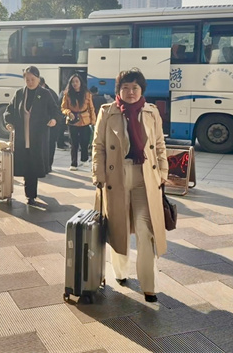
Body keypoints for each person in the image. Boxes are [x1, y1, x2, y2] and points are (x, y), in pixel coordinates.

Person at [92, 68, 168, 303]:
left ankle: (149, 285)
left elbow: (159, 143)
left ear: (142, 90)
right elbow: (99, 146)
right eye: (125, 87)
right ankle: (121, 272)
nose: (130, 92)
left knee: (147, 231)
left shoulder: (151, 112)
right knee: (119, 227)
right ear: (119, 90)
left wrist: (163, 172)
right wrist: (98, 174)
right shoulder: (107, 112)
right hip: (117, 176)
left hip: (145, 176)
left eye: (135, 87)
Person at [4, 66, 60, 206]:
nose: (30, 82)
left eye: (33, 79)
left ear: (38, 79)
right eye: (27, 79)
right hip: (22, 136)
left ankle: (31, 195)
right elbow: (9, 110)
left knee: (34, 166)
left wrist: (54, 120)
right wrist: (9, 122)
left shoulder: (45, 94)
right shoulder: (19, 94)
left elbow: (55, 110)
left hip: (37, 137)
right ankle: (29, 193)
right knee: (26, 164)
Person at [62, 74, 96, 171]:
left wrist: (93, 121)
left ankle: (84, 159)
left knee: (84, 141)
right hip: (72, 121)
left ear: (80, 82)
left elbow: (91, 108)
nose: (75, 84)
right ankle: (74, 163)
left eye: (77, 81)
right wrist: (68, 112)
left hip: (85, 120)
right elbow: (63, 107)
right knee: (74, 143)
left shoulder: (87, 94)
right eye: (73, 82)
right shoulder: (67, 94)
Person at [40, 77, 60, 169]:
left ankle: (48, 166)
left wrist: (54, 119)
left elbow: (57, 110)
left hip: (51, 125)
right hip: (41, 126)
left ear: (43, 84)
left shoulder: (50, 94)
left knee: (50, 145)